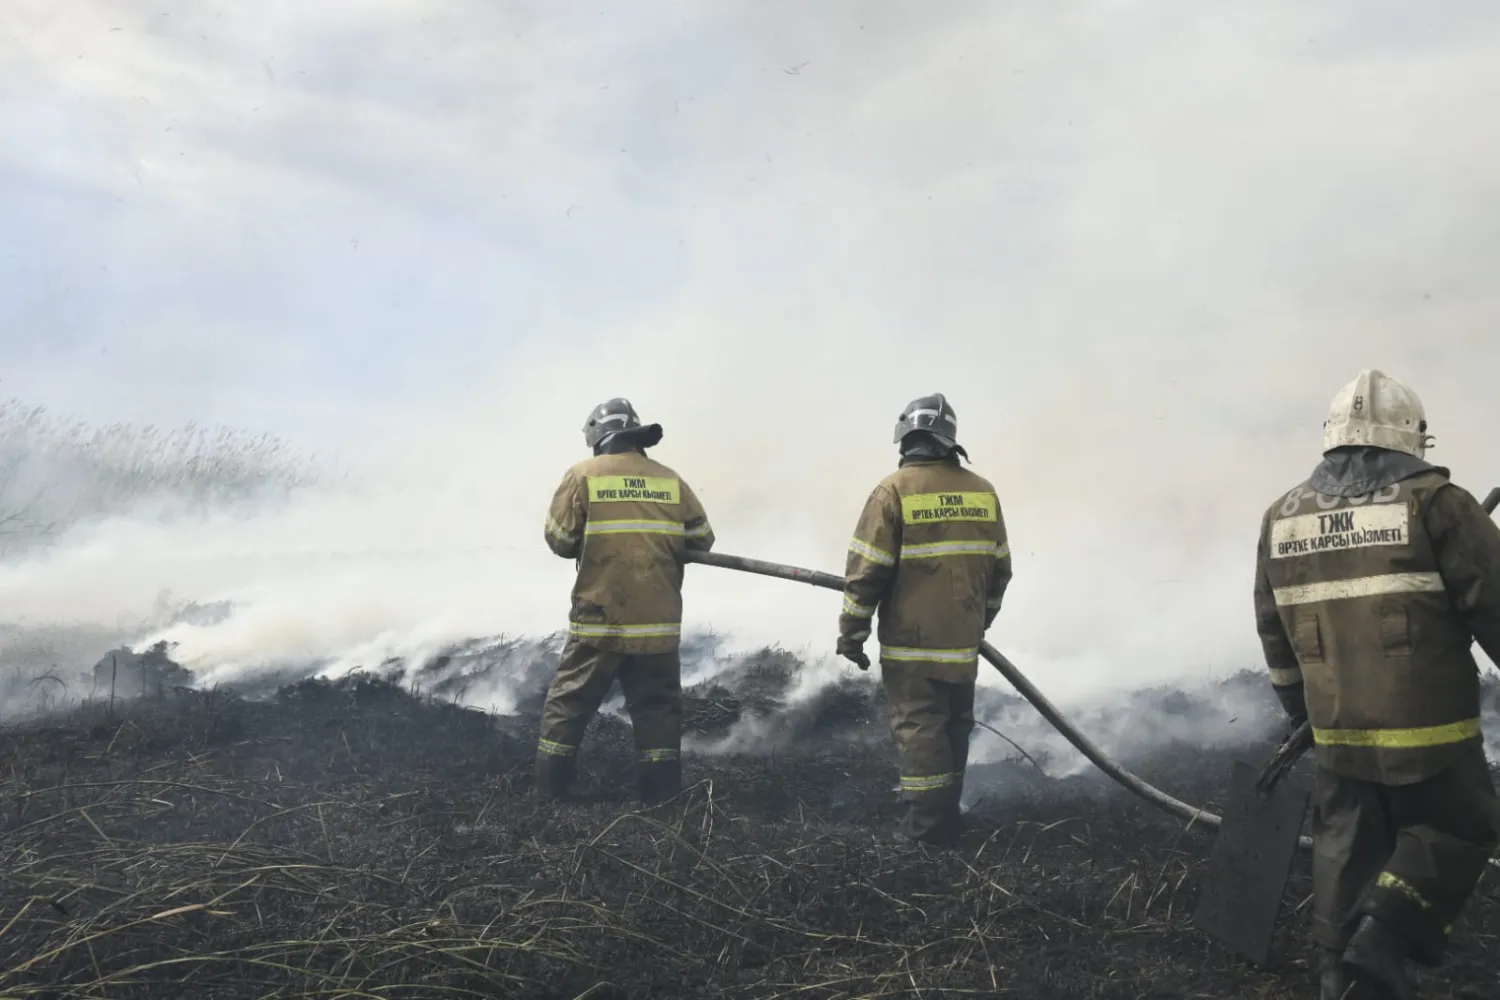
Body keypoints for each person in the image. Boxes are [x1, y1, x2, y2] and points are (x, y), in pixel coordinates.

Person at [1253, 369, 1500, 1000]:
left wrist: (1297, 709)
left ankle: (1339, 979)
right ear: (1411, 439)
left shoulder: (1281, 516)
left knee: (1346, 846)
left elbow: (1274, 628)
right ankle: (1385, 938)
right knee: (1460, 826)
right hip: (1431, 731)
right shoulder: (1439, 504)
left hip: (1337, 729)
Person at [836, 393, 1012, 846]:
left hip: (912, 644)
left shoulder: (893, 491)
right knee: (955, 726)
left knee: (920, 729)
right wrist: (978, 622)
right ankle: (947, 817)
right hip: (963, 640)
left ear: (905, 438)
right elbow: (1001, 569)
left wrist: (851, 634)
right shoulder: (982, 491)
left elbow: (866, 572)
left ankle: (926, 832)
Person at [537, 397, 715, 805]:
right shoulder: (671, 481)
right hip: (658, 625)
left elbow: (560, 541)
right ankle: (661, 803)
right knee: (658, 715)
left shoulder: (582, 477)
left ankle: (551, 797)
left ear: (598, 438)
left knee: (567, 708)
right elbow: (702, 539)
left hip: (600, 621)